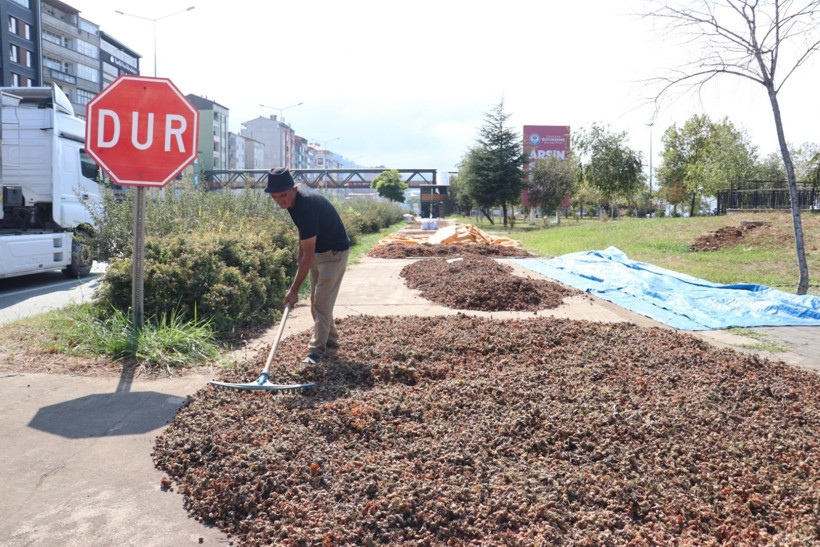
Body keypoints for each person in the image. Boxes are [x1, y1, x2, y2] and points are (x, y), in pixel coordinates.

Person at [265, 167, 350, 365]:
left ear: (294, 189)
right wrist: (299, 249)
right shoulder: (293, 201)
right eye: (274, 197)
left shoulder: (306, 206)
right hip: (318, 250)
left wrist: (293, 290)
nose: (279, 201)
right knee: (316, 301)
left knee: (321, 301)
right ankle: (331, 340)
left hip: (334, 254)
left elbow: (308, 254)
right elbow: (303, 229)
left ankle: (315, 352)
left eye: (283, 195)